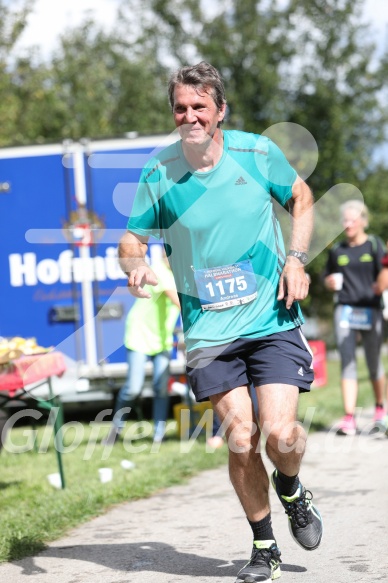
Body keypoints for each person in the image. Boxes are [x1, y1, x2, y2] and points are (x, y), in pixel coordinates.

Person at [118, 62, 322, 582]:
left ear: (220, 111)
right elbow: (132, 238)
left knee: (281, 435)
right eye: (181, 108)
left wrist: (296, 258)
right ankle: (265, 546)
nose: (189, 116)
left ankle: (294, 490)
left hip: (271, 317)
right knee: (239, 435)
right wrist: (135, 264)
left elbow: (300, 197)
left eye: (199, 107)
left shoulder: (256, 153)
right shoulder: (159, 171)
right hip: (209, 330)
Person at [103, 251, 180, 445]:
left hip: (162, 338)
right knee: (133, 388)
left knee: (161, 388)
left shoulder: (180, 273)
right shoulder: (160, 271)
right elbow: (179, 302)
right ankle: (116, 428)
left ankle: (158, 435)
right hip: (140, 335)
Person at [323, 200, 386, 436]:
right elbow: (327, 277)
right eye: (345, 220)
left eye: (352, 220)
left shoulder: (374, 245)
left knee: (372, 360)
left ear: (362, 221)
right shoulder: (337, 250)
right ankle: (349, 417)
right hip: (345, 310)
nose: (347, 224)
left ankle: (380, 409)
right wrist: (329, 283)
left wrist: (381, 287)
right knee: (347, 360)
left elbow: (385, 272)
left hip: (371, 309)